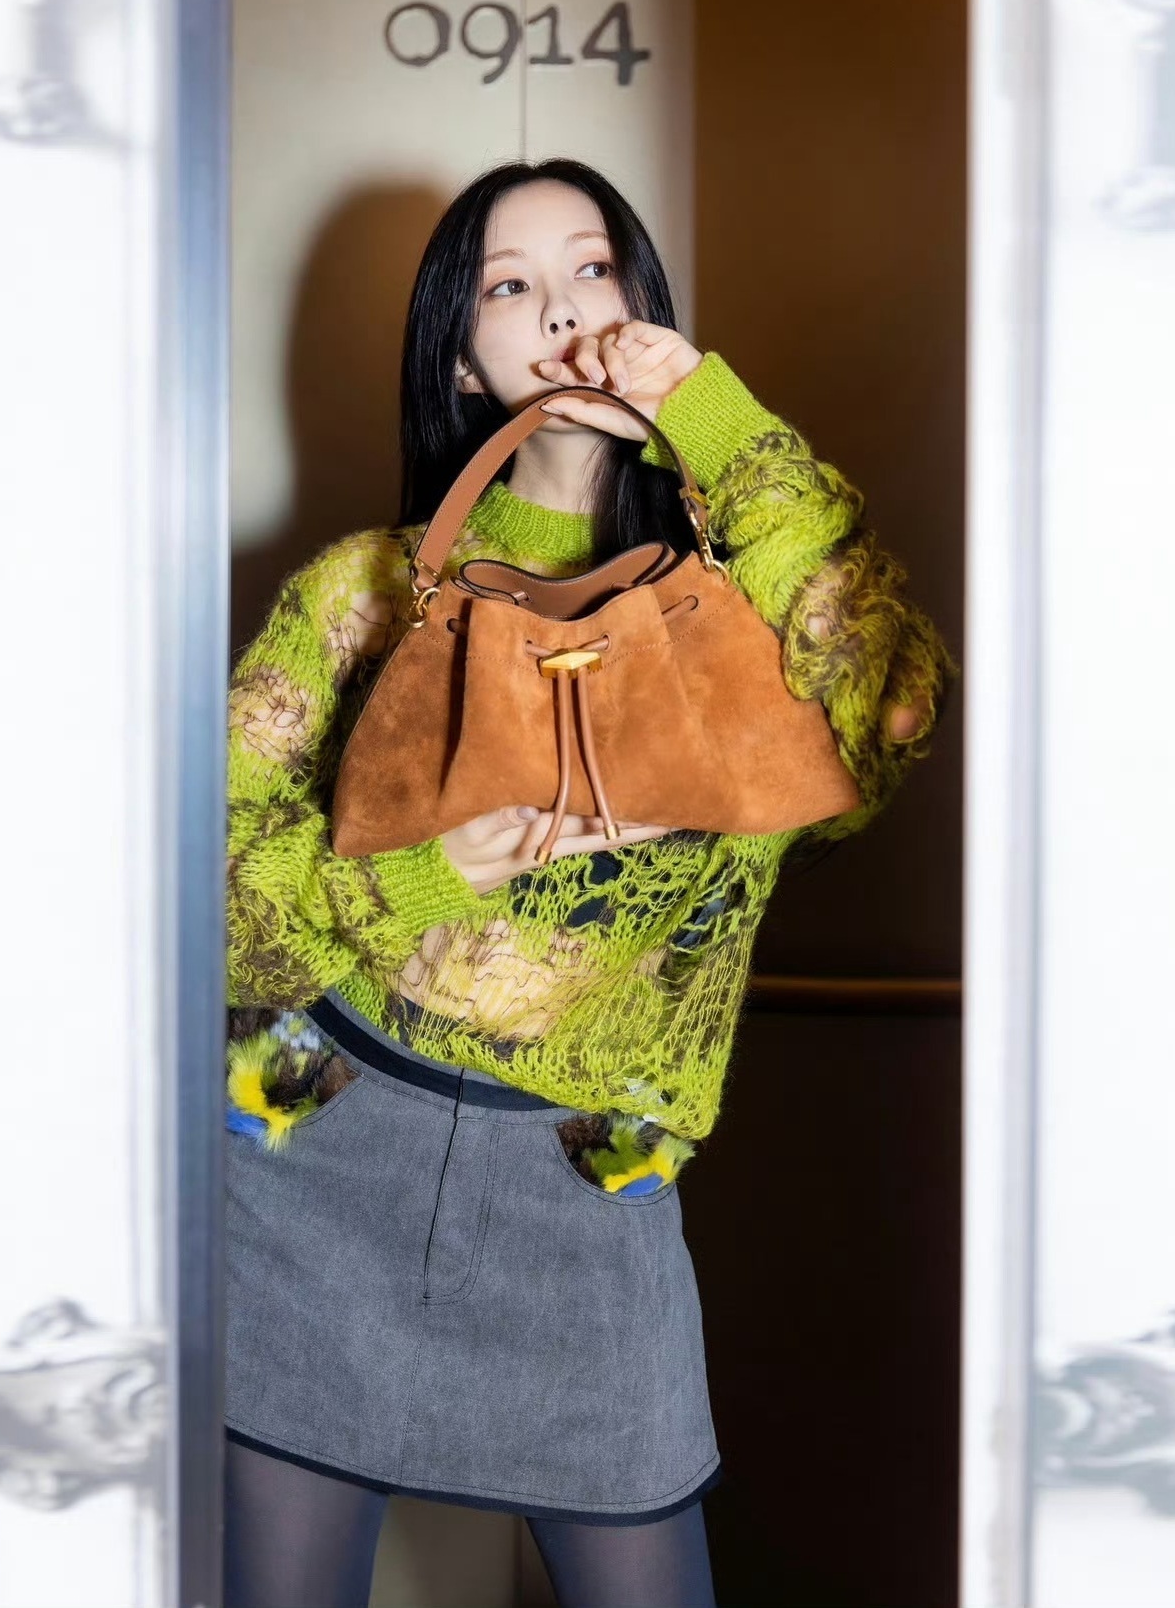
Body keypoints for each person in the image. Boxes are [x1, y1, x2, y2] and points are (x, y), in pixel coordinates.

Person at [221, 157, 954, 1608]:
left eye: (592, 269)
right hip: (311, 1140)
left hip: (588, 1181)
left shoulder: (743, 618)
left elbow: (890, 708)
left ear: (642, 304)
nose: (562, 310)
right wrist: (415, 879)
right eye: (509, 285)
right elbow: (202, 912)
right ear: (463, 360)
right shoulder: (367, 594)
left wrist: (706, 412)